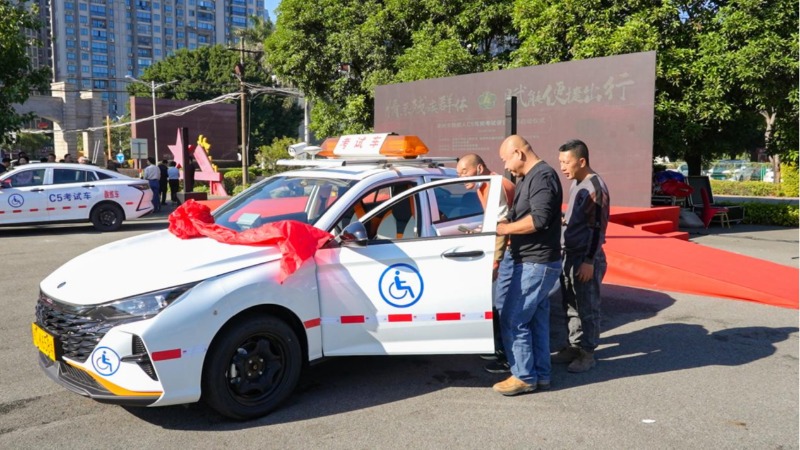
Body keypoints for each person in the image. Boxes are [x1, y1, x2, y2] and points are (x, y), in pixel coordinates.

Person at [492, 135, 563, 396]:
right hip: (530, 260)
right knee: (534, 320)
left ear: (519, 153)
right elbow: (520, 216)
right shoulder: (527, 178)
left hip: (536, 262)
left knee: (513, 318)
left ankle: (523, 376)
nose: (505, 166)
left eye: (506, 159)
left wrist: (505, 229)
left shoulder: (542, 176)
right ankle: (540, 375)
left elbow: (539, 220)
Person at [553, 139, 610, 373]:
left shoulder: (595, 187)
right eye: (560, 162)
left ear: (582, 161)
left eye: (566, 162)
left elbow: (597, 229)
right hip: (570, 254)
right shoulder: (577, 183)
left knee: (588, 307)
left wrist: (588, 261)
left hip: (585, 258)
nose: (562, 167)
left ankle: (588, 353)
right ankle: (574, 346)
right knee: (570, 305)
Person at [456, 154, 516, 371]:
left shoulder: (495, 186)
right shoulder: (485, 186)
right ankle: (502, 349)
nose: (462, 178)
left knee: (504, 304)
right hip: (504, 248)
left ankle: (509, 356)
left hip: (509, 250)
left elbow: (502, 225)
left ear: (479, 168)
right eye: (458, 174)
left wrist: (495, 261)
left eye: (465, 172)